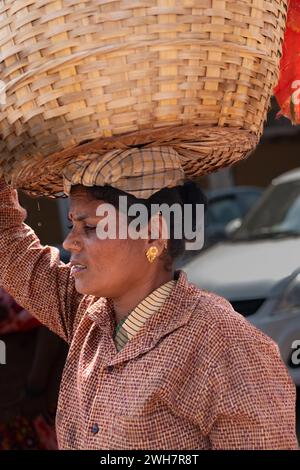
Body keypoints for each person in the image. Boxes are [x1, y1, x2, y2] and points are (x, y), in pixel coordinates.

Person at [0, 147, 297, 450]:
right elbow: (7, 241)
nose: (69, 242)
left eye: (90, 227)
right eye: (71, 225)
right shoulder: (87, 315)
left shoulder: (225, 344)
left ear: (153, 234)